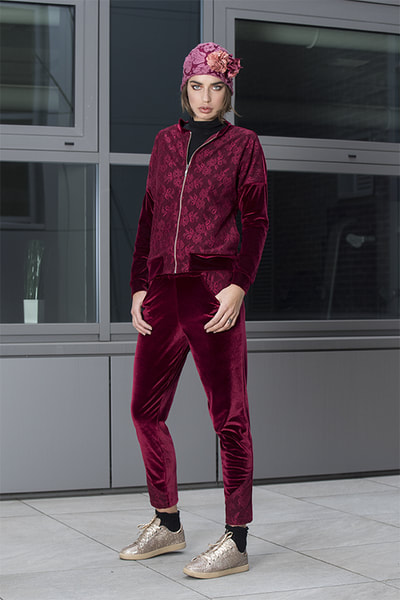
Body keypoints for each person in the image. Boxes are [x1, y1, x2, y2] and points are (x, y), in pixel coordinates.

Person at [119, 42, 268, 579]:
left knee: (229, 417)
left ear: (228, 93)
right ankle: (168, 522)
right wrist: (138, 286)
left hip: (213, 291)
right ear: (185, 88)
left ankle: (236, 538)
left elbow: (257, 221)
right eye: (198, 86)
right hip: (162, 290)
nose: (207, 97)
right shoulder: (164, 142)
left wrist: (239, 286)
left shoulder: (243, 144)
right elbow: (148, 217)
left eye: (217, 87)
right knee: (144, 410)